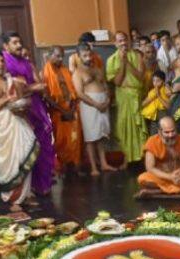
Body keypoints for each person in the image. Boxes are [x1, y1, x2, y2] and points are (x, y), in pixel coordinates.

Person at [0, 49, 39, 212]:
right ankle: (13, 199)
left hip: (16, 122)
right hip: (0, 128)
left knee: (23, 155)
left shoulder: (11, 80)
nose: (0, 64)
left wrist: (22, 107)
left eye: (2, 61)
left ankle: (24, 195)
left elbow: (21, 102)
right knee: (8, 166)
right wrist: (5, 99)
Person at [2, 30, 55, 195]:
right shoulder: (5, 63)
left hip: (37, 107)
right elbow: (15, 90)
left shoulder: (24, 62)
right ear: (6, 46)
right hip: (21, 111)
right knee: (27, 149)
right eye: (14, 43)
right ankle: (26, 190)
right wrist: (33, 88)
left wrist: (32, 87)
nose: (19, 45)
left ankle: (42, 185)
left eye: (19, 42)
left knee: (44, 146)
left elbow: (37, 83)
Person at [106, 31, 147, 167]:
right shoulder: (111, 60)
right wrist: (122, 63)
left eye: (125, 40)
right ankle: (126, 159)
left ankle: (143, 158)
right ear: (115, 43)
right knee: (123, 128)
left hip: (135, 95)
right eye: (120, 41)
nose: (123, 43)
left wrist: (128, 62)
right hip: (122, 96)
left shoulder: (137, 56)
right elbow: (117, 82)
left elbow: (140, 77)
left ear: (128, 41)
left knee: (138, 127)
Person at [137, 115, 180, 197]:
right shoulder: (152, 142)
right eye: (167, 132)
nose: (171, 135)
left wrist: (179, 175)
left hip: (179, 178)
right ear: (159, 132)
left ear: (176, 129)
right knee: (143, 178)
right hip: (161, 178)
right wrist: (169, 177)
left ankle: (160, 191)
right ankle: (178, 191)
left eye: (173, 131)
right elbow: (150, 168)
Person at [73, 43, 113, 176]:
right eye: (85, 55)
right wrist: (96, 104)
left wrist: (107, 99)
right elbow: (80, 93)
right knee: (91, 137)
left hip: (103, 104)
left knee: (101, 135)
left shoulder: (97, 68)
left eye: (89, 54)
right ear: (79, 57)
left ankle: (104, 163)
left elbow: (105, 85)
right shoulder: (77, 73)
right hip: (89, 105)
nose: (88, 57)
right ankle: (94, 168)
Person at [42, 45, 82, 173]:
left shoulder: (65, 70)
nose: (60, 59)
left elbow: (73, 90)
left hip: (71, 108)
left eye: (62, 56)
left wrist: (72, 107)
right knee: (62, 141)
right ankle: (64, 166)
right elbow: (47, 97)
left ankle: (75, 165)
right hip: (58, 111)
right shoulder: (44, 73)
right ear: (50, 56)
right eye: (57, 56)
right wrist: (63, 111)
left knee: (75, 139)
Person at [141, 70, 171, 135]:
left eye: (158, 81)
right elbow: (144, 103)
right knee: (153, 133)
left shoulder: (166, 90)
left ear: (163, 82)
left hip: (163, 113)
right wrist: (152, 98)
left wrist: (159, 95)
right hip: (153, 115)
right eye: (154, 81)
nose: (155, 83)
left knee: (163, 131)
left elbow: (169, 106)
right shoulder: (152, 92)